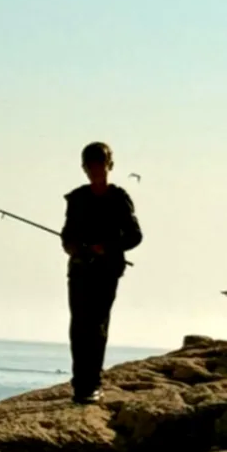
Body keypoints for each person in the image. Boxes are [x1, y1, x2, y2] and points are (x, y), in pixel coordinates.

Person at [60, 142, 143, 404]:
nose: (95, 171)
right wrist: (76, 248)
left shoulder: (119, 198)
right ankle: (80, 384)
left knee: (97, 324)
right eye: (90, 166)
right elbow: (67, 236)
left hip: (107, 271)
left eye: (100, 166)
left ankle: (92, 383)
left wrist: (105, 248)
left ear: (109, 166)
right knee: (78, 325)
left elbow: (134, 236)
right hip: (80, 269)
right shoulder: (77, 198)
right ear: (84, 168)